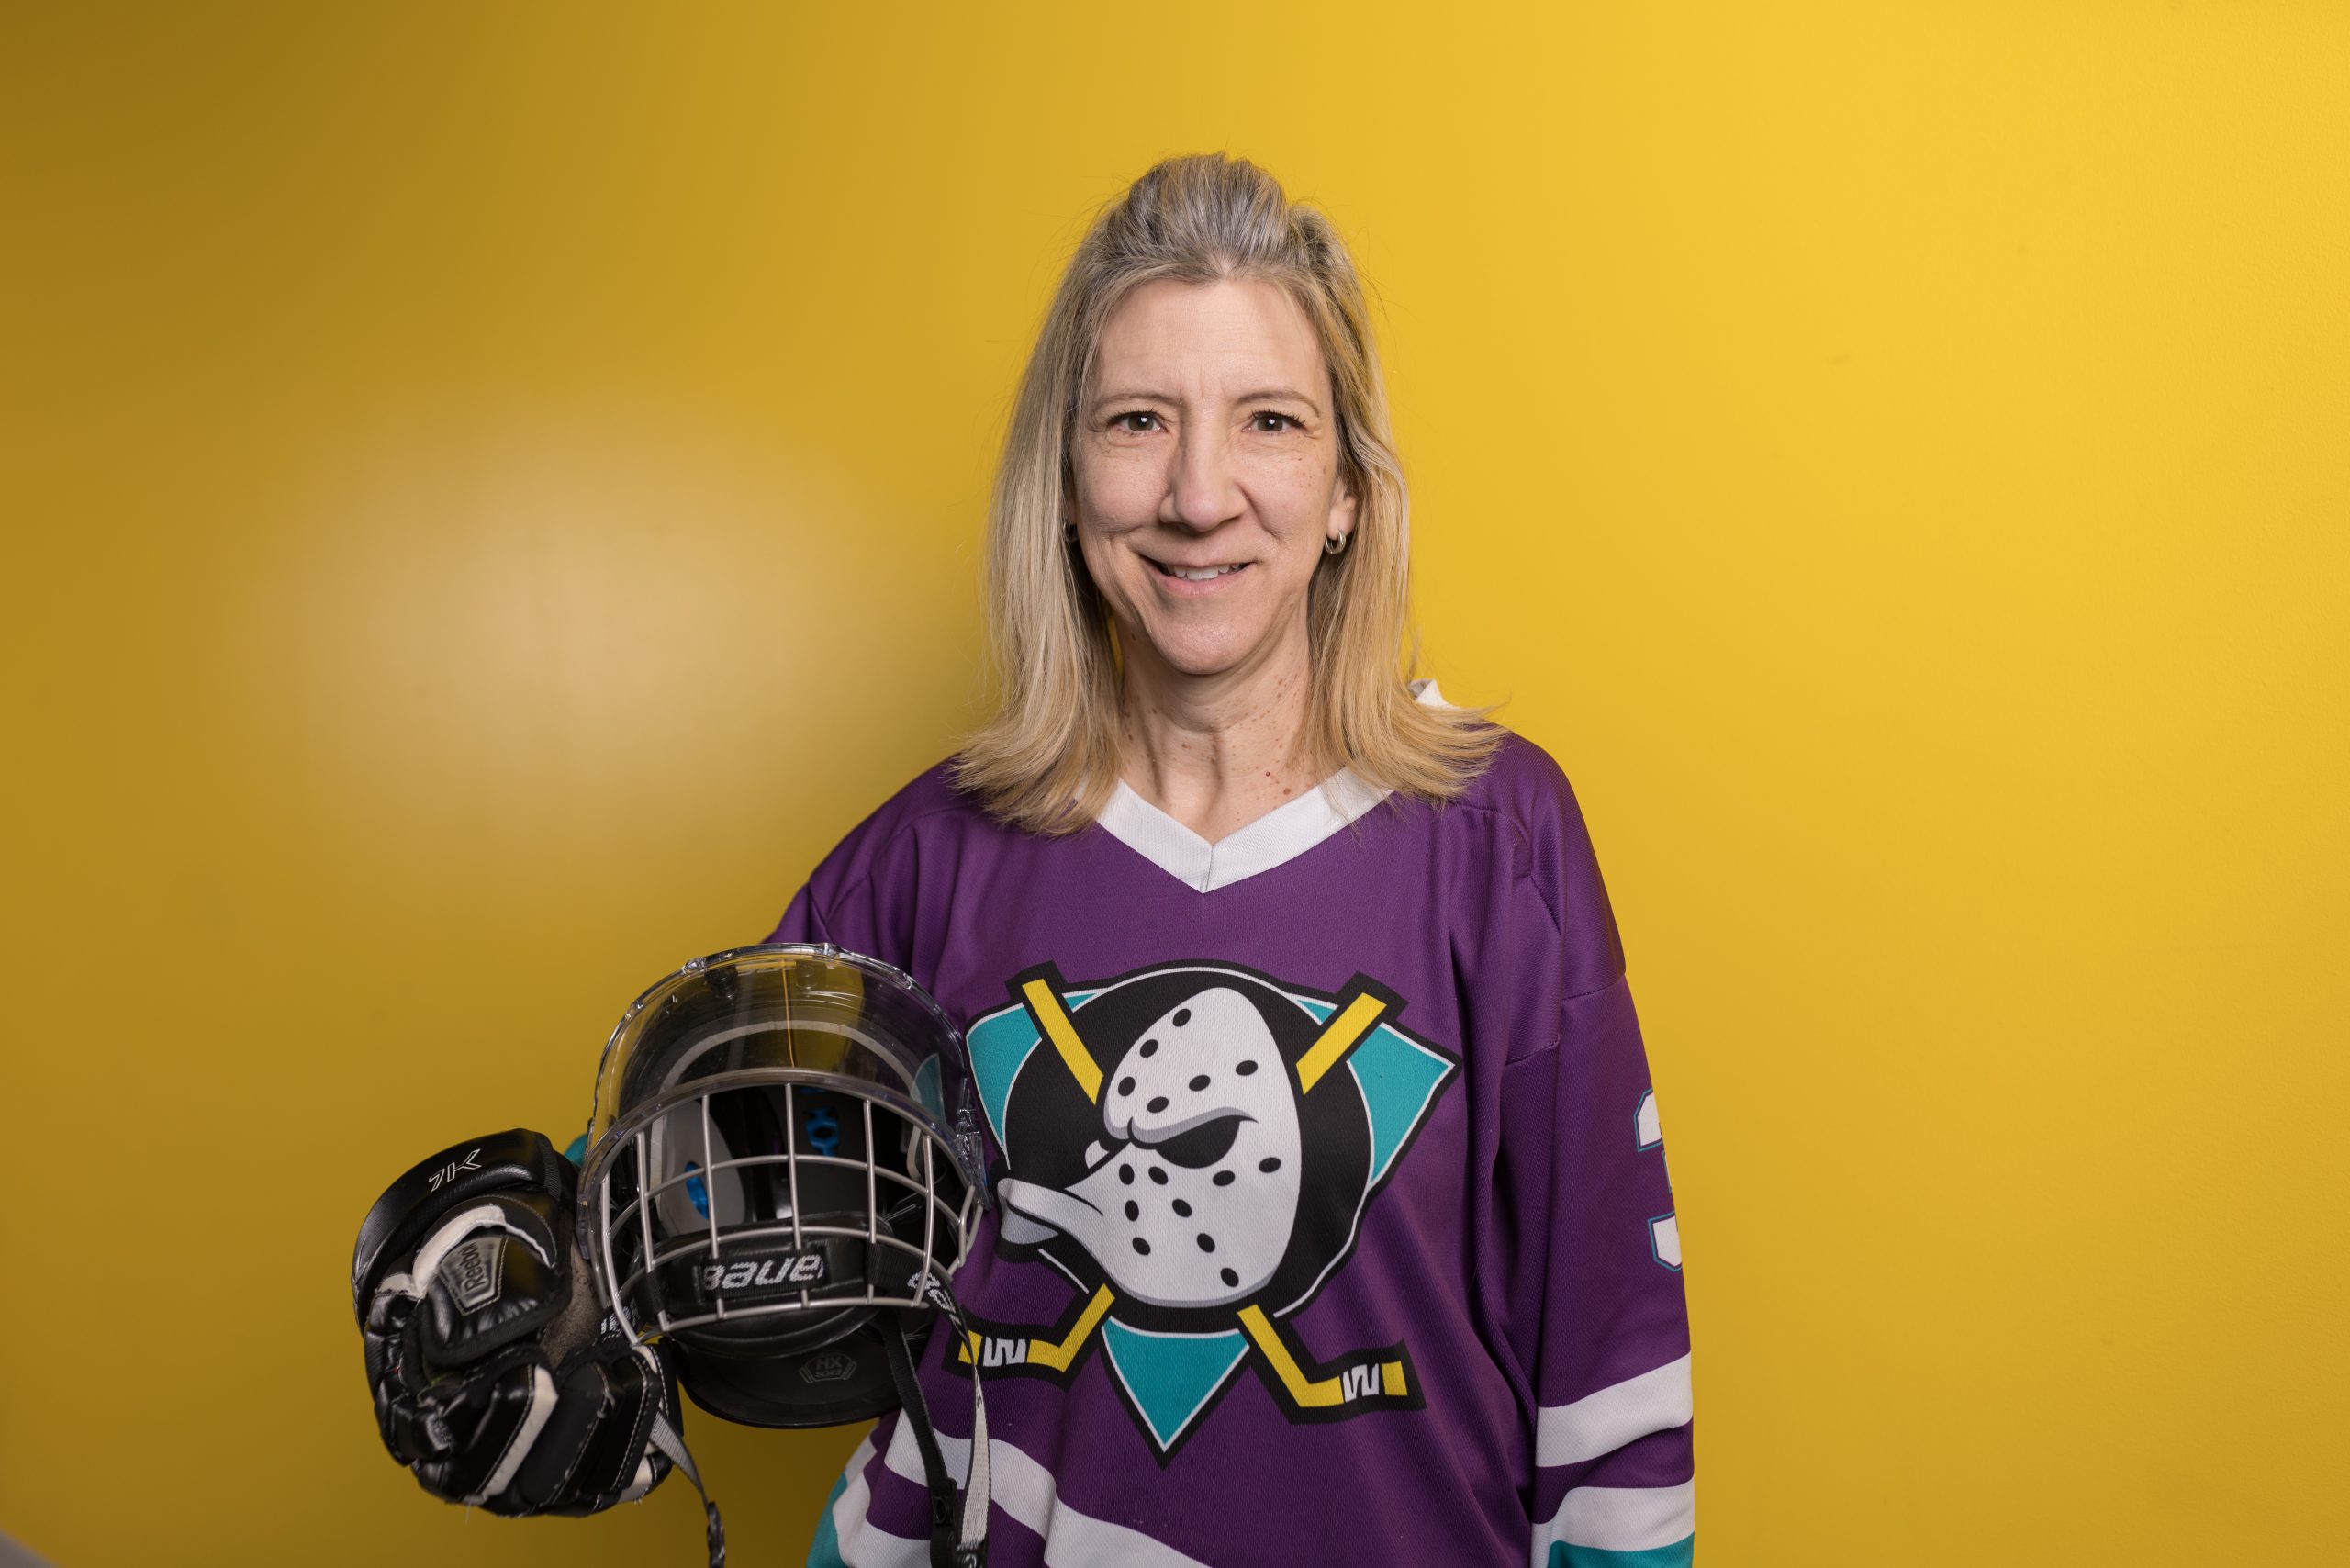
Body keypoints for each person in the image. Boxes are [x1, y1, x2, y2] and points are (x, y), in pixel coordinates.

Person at [767, 152, 1695, 1568]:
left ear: (1342, 490)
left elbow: (1614, 1358)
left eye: (1268, 421)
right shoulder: (926, 858)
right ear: (1066, 486)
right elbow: (713, 1151)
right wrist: (554, 1251)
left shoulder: (1497, 839)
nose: (1201, 496)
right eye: (1138, 422)